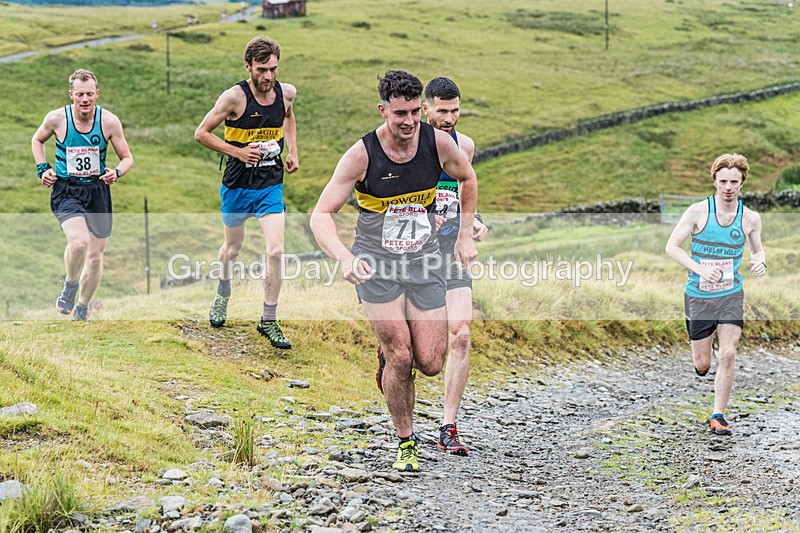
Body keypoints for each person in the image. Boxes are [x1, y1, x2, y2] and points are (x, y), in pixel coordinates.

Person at [310, 70, 478, 472]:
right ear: (382, 109)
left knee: (431, 361)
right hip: (377, 264)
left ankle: (389, 364)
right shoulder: (361, 155)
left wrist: (465, 234)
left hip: (424, 261)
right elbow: (320, 215)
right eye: (399, 113)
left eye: (414, 113)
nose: (408, 122)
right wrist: (345, 259)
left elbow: (467, 177)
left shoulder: (437, 144)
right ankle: (406, 442)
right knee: (401, 355)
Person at [194, 36, 298, 348]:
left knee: (276, 250)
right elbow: (201, 133)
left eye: (273, 69)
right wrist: (237, 152)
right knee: (233, 249)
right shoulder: (234, 98)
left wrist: (292, 149)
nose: (268, 76)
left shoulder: (287, 93)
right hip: (237, 183)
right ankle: (223, 290)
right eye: (262, 69)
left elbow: (289, 116)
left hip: (269, 182)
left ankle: (268, 318)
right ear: (248, 66)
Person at [665, 153, 766, 436]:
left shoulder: (750, 218)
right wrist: (699, 269)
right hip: (698, 294)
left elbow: (758, 249)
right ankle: (701, 356)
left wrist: (760, 260)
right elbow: (672, 247)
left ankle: (718, 415)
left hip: (731, 294)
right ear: (715, 181)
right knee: (702, 364)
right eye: (723, 181)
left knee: (729, 353)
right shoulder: (698, 211)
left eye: (734, 181)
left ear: (742, 182)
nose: (728, 187)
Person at [32, 69, 134, 321]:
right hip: (67, 189)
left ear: (97, 94)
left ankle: (82, 307)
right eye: (80, 94)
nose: (85, 99)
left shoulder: (109, 121)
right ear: (72, 95)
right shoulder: (57, 118)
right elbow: (37, 140)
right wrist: (42, 168)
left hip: (97, 191)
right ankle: (70, 284)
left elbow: (127, 157)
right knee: (79, 242)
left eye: (90, 94)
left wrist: (117, 173)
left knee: (96, 257)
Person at [422, 77, 488, 456]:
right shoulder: (409, 147)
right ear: (426, 108)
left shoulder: (465, 146)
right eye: (442, 111)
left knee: (461, 333)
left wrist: (474, 223)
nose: (449, 118)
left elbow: (465, 192)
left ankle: (449, 426)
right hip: (412, 252)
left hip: (450, 249)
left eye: (455, 110)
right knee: (418, 350)